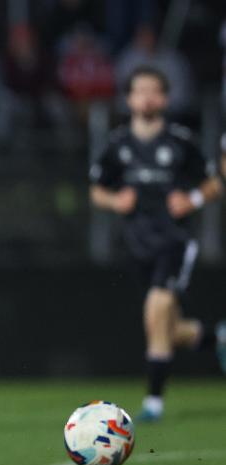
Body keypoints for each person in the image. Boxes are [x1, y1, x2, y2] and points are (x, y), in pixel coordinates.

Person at [89, 66, 224, 422]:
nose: (147, 97)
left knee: (155, 308)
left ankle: (153, 402)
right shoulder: (118, 145)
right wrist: (116, 201)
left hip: (174, 242)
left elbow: (215, 183)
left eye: (154, 91)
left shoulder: (180, 141)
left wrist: (191, 200)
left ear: (164, 98)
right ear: (129, 98)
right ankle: (219, 338)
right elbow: (97, 191)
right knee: (169, 329)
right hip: (138, 245)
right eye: (140, 90)